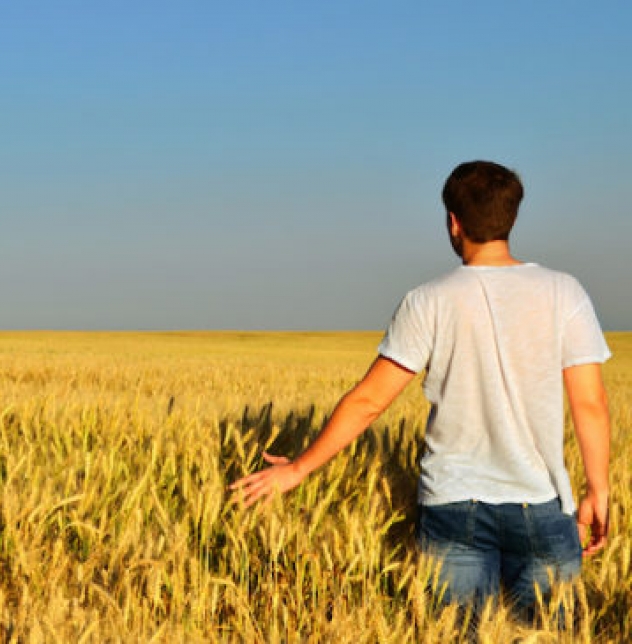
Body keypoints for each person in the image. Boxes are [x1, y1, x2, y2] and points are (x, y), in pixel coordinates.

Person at [229, 160, 612, 620]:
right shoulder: (564, 292)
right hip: (543, 502)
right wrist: (598, 489)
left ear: (454, 222)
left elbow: (369, 402)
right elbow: (590, 403)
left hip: (453, 505)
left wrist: (299, 469)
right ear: (512, 217)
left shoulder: (428, 300)